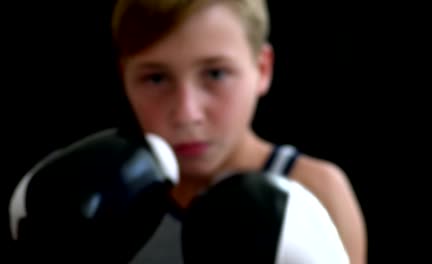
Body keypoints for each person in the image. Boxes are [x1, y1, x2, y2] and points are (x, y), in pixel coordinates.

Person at [111, 0, 367, 263]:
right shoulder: (112, 200)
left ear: (263, 69)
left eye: (216, 74)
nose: (187, 115)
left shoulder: (319, 190)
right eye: (156, 78)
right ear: (124, 78)